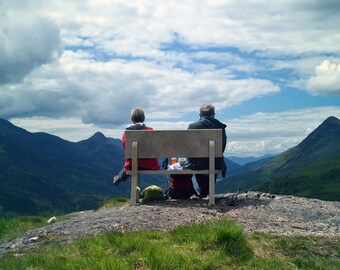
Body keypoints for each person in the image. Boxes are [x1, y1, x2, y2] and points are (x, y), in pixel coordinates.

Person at [184, 104, 227, 198]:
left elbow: (188, 148)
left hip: (197, 163)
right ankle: (208, 191)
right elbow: (222, 148)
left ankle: (203, 190)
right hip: (216, 162)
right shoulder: (220, 127)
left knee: (194, 159)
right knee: (215, 158)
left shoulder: (192, 126)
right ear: (214, 114)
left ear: (200, 115)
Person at [113, 107, 160, 185]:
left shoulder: (126, 134)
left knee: (131, 164)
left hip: (132, 165)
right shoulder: (150, 131)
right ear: (144, 118)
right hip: (150, 165)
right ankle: (120, 176)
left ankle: (120, 177)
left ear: (132, 119)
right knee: (136, 163)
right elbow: (155, 148)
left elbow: (126, 151)